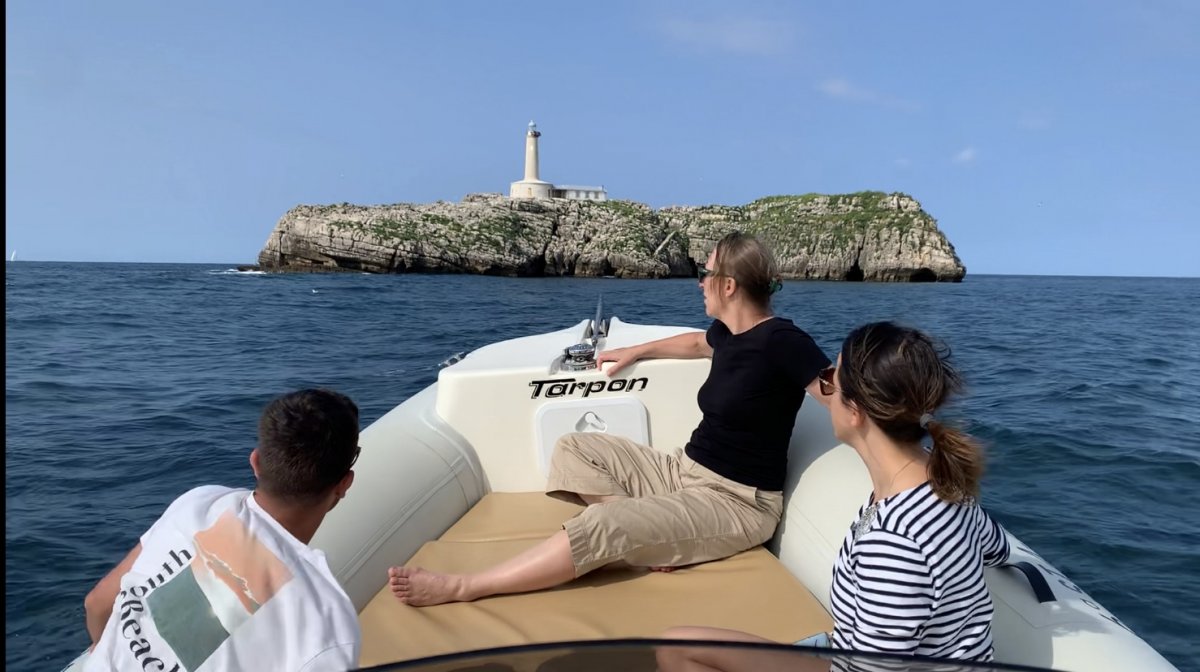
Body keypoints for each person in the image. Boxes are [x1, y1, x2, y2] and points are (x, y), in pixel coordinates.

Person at [388, 231, 831, 606]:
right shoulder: (729, 333)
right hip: (684, 471)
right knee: (573, 447)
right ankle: (646, 534)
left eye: (705, 272)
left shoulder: (783, 340)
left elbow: (832, 392)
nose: (699, 282)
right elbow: (698, 344)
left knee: (602, 524)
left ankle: (464, 587)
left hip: (736, 501)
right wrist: (637, 350)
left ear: (729, 285)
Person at [657, 322, 1012, 670]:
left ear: (855, 412)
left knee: (677, 653)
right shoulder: (945, 484)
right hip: (849, 650)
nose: (825, 390)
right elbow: (996, 548)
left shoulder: (894, 541)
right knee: (679, 646)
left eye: (831, 380)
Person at [66, 388, 363, 672]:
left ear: (255, 462)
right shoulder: (328, 624)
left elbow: (97, 603)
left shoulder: (199, 502)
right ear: (344, 484)